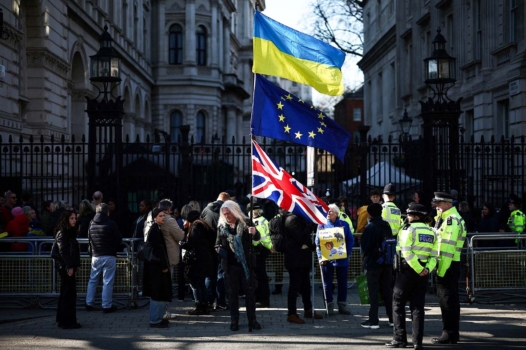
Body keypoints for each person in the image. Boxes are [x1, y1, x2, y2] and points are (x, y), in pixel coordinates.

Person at [386, 203, 438, 350]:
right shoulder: (431, 231)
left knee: (397, 304)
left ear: (416, 216)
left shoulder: (407, 229)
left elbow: (407, 252)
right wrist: (426, 269)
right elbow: (434, 255)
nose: (407, 217)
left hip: (407, 271)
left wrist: (418, 269)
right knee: (417, 308)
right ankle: (417, 343)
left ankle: (400, 339)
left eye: (409, 215)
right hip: (423, 274)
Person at [216, 200, 261, 331]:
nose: (227, 216)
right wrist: (217, 248)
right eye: (224, 214)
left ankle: (252, 320)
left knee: (250, 293)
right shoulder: (222, 226)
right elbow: (217, 241)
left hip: (246, 265)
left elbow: (257, 238)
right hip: (230, 265)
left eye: (229, 213)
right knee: (232, 294)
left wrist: (254, 233)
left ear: (235, 211)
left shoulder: (246, 223)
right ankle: (234, 320)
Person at [431, 192, 466, 345]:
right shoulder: (447, 218)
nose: (436, 207)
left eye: (438, 204)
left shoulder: (451, 221)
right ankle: (451, 333)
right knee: (449, 300)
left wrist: (441, 270)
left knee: (447, 301)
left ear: (447, 204)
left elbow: (446, 249)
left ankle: (449, 334)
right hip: (450, 264)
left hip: (448, 265)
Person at [282, 211, 323, 324]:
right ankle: (291, 313)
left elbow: (306, 240)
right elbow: (301, 237)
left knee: (306, 286)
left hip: (303, 258)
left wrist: (310, 245)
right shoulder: (292, 219)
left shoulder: (299, 219)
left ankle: (308, 309)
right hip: (295, 259)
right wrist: (309, 227)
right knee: (294, 287)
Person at [316, 204, 354, 316]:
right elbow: (317, 243)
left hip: (342, 260)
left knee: (342, 283)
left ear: (337, 214)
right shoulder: (321, 225)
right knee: (327, 284)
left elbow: (350, 240)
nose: (328, 213)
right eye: (327, 211)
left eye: (331, 211)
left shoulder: (344, 225)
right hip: (327, 261)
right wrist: (320, 257)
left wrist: (347, 253)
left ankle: (342, 305)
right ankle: (329, 305)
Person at [360, 203, 393, 329]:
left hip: (373, 263)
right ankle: (392, 319)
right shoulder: (386, 225)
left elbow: (365, 246)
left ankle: (373, 320)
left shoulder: (370, 227)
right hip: (387, 262)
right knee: (387, 291)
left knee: (373, 291)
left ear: (369, 213)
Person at [85, 203, 122, 313]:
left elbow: (89, 238)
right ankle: (106, 305)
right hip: (109, 255)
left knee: (93, 280)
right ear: (107, 212)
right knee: (107, 282)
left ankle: (89, 303)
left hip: (96, 255)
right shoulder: (111, 224)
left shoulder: (91, 223)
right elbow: (118, 239)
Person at [142, 208, 173, 328]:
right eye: (160, 216)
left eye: (163, 216)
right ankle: (155, 319)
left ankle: (158, 318)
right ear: (155, 217)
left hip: (156, 267)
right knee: (157, 293)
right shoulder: (154, 230)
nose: (163, 218)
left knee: (159, 292)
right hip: (156, 268)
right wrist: (164, 266)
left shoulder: (156, 229)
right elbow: (157, 250)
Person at [181, 210, 214, 315]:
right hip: (205, 258)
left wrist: (182, 244)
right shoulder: (205, 225)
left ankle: (199, 305)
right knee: (201, 283)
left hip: (197, 259)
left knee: (195, 283)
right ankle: (205, 306)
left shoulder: (196, 227)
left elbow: (192, 243)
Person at [201, 192, 230, 310]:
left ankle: (208, 301)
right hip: (221, 247)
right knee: (221, 275)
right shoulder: (225, 211)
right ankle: (221, 302)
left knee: (209, 275)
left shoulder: (206, 210)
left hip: (208, 247)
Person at [53, 210, 81, 329]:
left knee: (68, 293)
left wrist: (76, 265)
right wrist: (69, 266)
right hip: (64, 266)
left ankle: (65, 319)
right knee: (68, 293)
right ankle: (66, 321)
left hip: (68, 266)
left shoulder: (69, 233)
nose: (74, 220)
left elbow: (73, 250)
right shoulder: (63, 233)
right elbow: (63, 251)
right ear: (66, 220)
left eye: (75, 218)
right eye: (72, 218)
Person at [158, 198, 184, 319]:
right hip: (168, 256)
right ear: (169, 209)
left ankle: (160, 311)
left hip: (158, 256)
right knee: (166, 285)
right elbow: (180, 235)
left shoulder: (152, 218)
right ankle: (164, 312)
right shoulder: (169, 220)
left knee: (160, 285)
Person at [247, 202, 273, 308]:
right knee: (260, 276)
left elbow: (261, 238)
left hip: (259, 250)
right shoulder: (263, 220)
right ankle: (261, 299)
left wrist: (268, 247)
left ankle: (262, 299)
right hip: (262, 249)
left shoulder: (257, 222)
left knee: (259, 276)